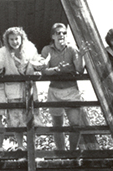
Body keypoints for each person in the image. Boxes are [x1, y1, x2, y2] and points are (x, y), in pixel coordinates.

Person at [41, 23, 97, 151]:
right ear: (53, 36)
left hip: (71, 90)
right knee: (57, 125)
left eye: (64, 33)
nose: (61, 35)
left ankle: (72, 152)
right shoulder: (46, 50)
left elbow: (79, 70)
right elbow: (44, 71)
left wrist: (81, 56)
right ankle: (61, 153)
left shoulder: (72, 49)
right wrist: (56, 69)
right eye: (58, 33)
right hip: (54, 90)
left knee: (75, 124)